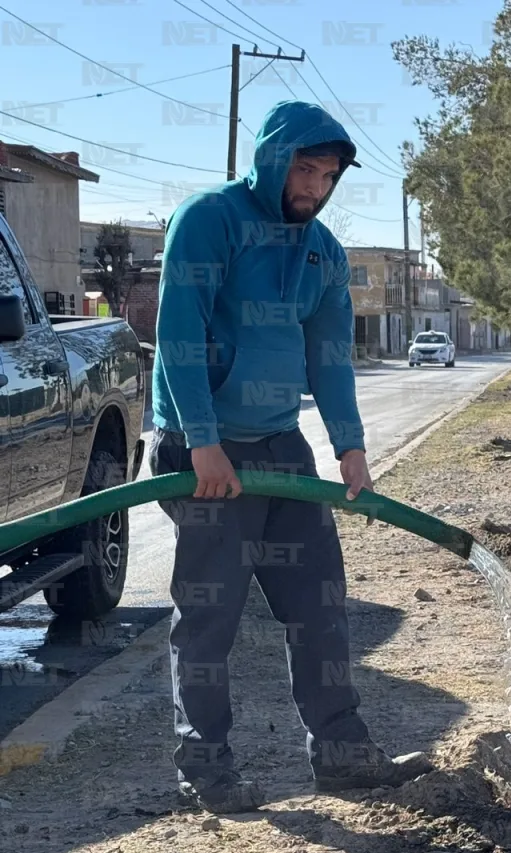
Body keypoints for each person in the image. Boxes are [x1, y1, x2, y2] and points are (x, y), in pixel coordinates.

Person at [149, 100, 433, 813]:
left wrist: (351, 447)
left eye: (328, 174)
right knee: (209, 614)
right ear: (275, 158)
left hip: (281, 447)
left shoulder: (323, 254)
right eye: (304, 168)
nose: (314, 186)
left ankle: (341, 751)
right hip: (203, 445)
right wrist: (204, 443)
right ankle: (207, 765)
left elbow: (330, 360)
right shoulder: (209, 219)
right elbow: (179, 336)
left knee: (319, 603)